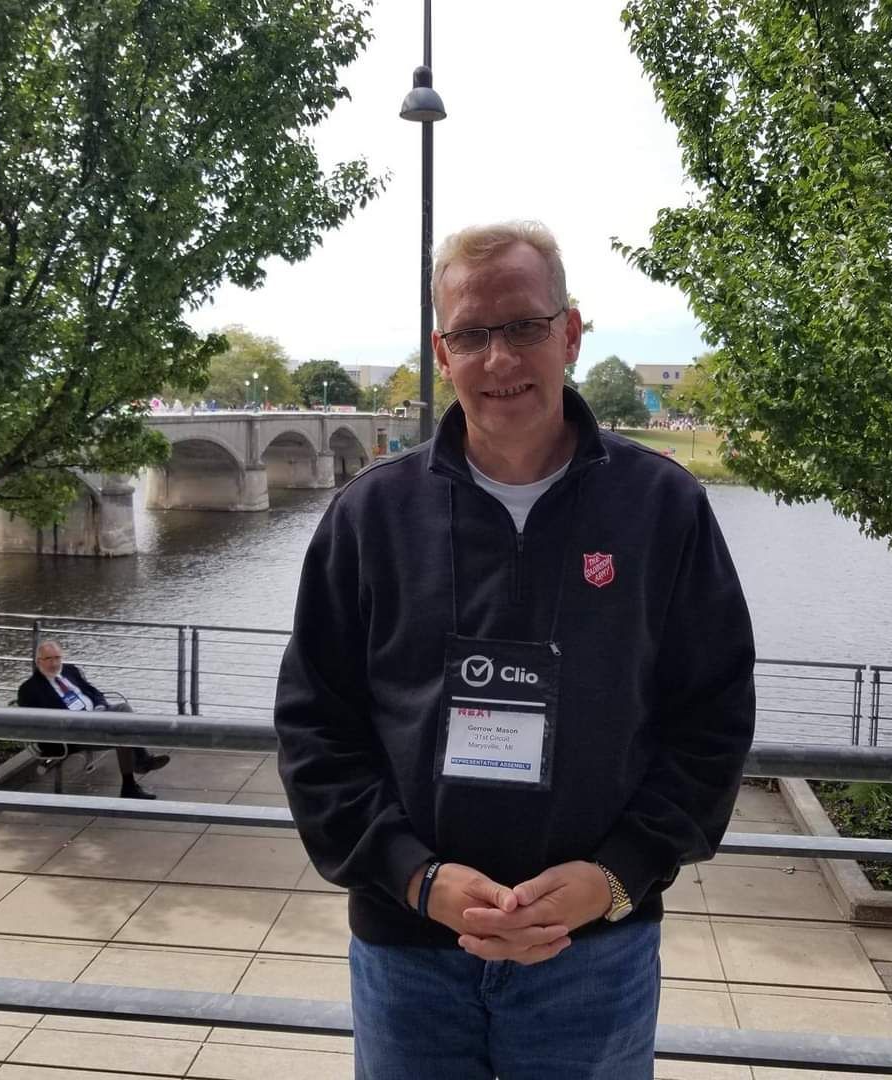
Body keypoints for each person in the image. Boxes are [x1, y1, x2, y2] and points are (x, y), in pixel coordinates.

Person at [274, 220, 755, 1079]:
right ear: (441, 350)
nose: (500, 360)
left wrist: (615, 877)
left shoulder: (663, 508)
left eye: (526, 326)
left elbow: (714, 717)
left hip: (593, 955)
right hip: (408, 951)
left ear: (569, 332)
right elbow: (315, 728)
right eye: (472, 334)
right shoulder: (370, 516)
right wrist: (417, 879)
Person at [18, 640, 169, 799]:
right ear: (38, 661)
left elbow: (94, 692)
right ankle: (134, 777)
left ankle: (139, 767)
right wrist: (74, 722)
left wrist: (100, 707)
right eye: (49, 659)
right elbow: (35, 723)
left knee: (123, 709)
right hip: (70, 734)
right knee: (122, 732)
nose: (54, 663)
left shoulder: (70, 671)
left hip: (97, 717)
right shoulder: (30, 689)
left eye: (57, 657)